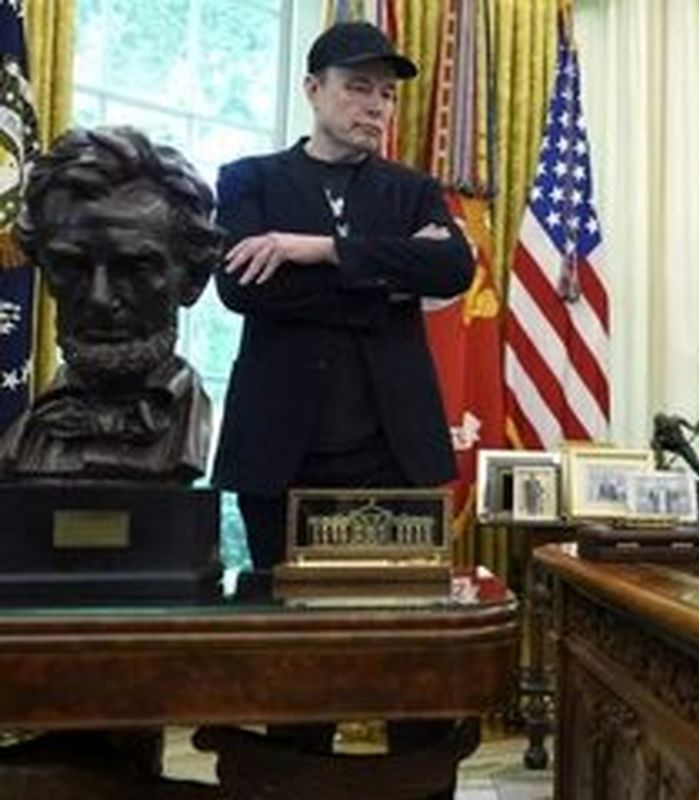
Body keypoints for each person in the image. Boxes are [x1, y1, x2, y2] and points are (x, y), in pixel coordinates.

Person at [211, 21, 474, 787]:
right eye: (359, 88)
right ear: (313, 89)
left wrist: (316, 250)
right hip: (281, 453)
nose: (376, 107)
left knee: (408, 653)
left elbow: (451, 271)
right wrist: (386, 281)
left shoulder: (411, 189)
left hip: (392, 453)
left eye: (386, 95)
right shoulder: (248, 179)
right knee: (298, 660)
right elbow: (243, 289)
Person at [0, 126, 220, 482]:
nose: (99, 299)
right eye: (72, 267)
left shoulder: (214, 435)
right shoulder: (20, 441)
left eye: (135, 269)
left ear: (193, 280)